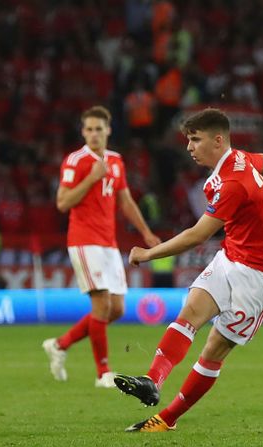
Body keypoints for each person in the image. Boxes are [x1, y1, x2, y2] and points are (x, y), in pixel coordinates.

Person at [113, 108, 263, 432]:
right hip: (231, 258)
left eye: (195, 139)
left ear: (218, 140)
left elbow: (197, 235)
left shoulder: (233, 182)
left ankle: (166, 419)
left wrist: (147, 254)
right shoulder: (238, 160)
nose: (189, 147)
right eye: (188, 140)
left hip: (260, 277)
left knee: (214, 349)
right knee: (190, 313)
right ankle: (152, 380)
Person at [42, 106, 161, 387]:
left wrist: (146, 232)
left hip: (109, 242)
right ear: (83, 132)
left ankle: (60, 344)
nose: (94, 134)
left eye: (99, 129)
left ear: (108, 130)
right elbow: (62, 202)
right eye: (89, 129)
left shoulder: (116, 161)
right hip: (84, 240)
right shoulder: (76, 161)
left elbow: (125, 201)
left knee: (116, 309)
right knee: (102, 304)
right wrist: (92, 177)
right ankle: (103, 373)